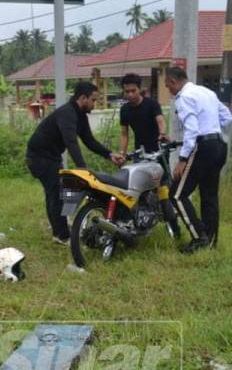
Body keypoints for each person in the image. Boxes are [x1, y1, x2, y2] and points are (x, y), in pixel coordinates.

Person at [26, 81, 124, 245]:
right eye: (93, 100)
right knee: (57, 193)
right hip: (39, 158)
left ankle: (59, 227)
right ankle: (61, 235)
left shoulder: (80, 116)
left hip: (52, 157)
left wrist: (109, 154)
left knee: (59, 193)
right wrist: (82, 168)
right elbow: (70, 141)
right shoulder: (67, 113)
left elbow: (89, 141)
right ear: (83, 98)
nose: (95, 104)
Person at [165, 66, 232, 253]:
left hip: (203, 147)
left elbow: (192, 130)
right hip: (219, 145)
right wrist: (211, 128)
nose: (168, 91)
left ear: (174, 82)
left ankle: (199, 237)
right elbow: (227, 117)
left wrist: (183, 159)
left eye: (168, 86)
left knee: (177, 194)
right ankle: (210, 241)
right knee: (209, 195)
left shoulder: (184, 97)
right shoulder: (206, 91)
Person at [119, 73, 169, 154]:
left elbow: (160, 120)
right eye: (127, 91)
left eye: (133, 90)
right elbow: (124, 134)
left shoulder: (152, 104)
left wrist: (162, 133)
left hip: (159, 151)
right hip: (140, 151)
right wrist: (122, 153)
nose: (130, 94)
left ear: (139, 89)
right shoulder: (124, 109)